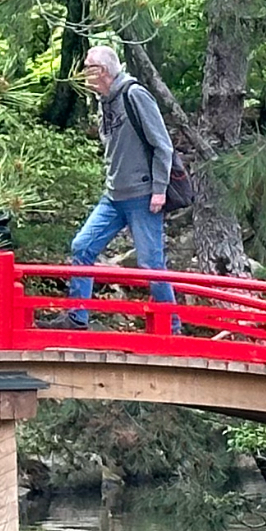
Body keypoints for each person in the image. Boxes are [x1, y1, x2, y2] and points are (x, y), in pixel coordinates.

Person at [68, 44, 178, 323]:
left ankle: (171, 327)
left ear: (101, 71)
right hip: (114, 195)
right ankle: (76, 317)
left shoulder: (134, 95)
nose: (82, 74)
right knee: (82, 246)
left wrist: (159, 190)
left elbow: (162, 146)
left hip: (143, 195)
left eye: (86, 68)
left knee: (151, 265)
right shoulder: (103, 103)